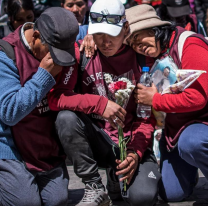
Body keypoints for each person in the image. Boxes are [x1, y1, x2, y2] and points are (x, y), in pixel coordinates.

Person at [48, 0, 161, 205]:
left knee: (143, 198)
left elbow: (146, 117)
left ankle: (115, 176)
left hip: (131, 141)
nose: (105, 41)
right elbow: (57, 98)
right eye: (99, 33)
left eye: (112, 33)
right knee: (65, 118)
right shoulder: (82, 54)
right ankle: (94, 186)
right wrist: (99, 104)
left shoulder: (142, 59)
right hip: (98, 138)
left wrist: (135, 152)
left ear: (126, 28)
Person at [124, 4, 208, 202]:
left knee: (192, 143)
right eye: (132, 43)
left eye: (139, 37)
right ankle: (191, 166)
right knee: (170, 193)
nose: (138, 46)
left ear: (155, 29)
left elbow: (198, 97)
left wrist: (155, 99)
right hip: (174, 132)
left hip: (200, 127)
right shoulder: (151, 55)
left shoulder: (189, 44)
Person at [0, 7, 79, 206]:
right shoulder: (6, 53)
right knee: (26, 202)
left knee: (57, 199)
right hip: (12, 146)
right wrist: (43, 75)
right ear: (36, 36)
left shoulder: (62, 46)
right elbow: (9, 112)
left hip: (44, 145)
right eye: (53, 52)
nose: (58, 59)